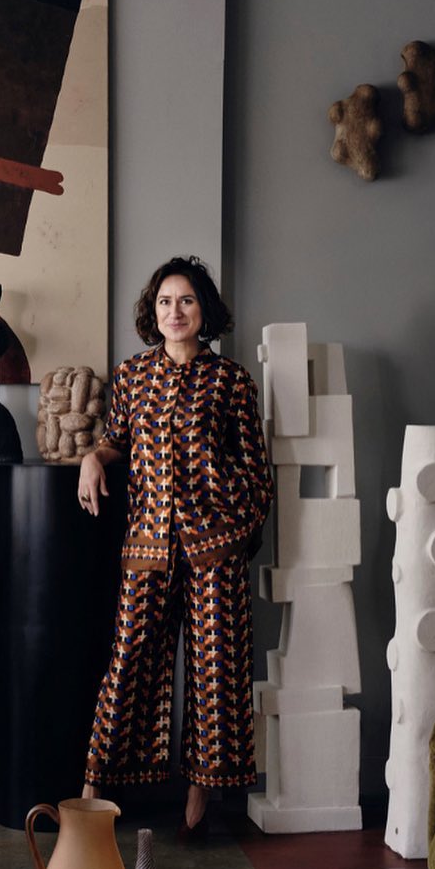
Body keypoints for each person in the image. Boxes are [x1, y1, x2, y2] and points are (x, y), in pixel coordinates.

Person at [78, 255, 273, 833]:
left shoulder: (232, 381)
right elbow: (117, 439)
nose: (175, 311)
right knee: (129, 660)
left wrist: (231, 530)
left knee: (217, 670)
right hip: (148, 541)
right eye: (165, 301)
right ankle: (93, 783)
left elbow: (256, 473)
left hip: (215, 546)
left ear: (203, 309)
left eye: (186, 300)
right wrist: (93, 457)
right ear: (153, 311)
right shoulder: (132, 376)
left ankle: (201, 788)